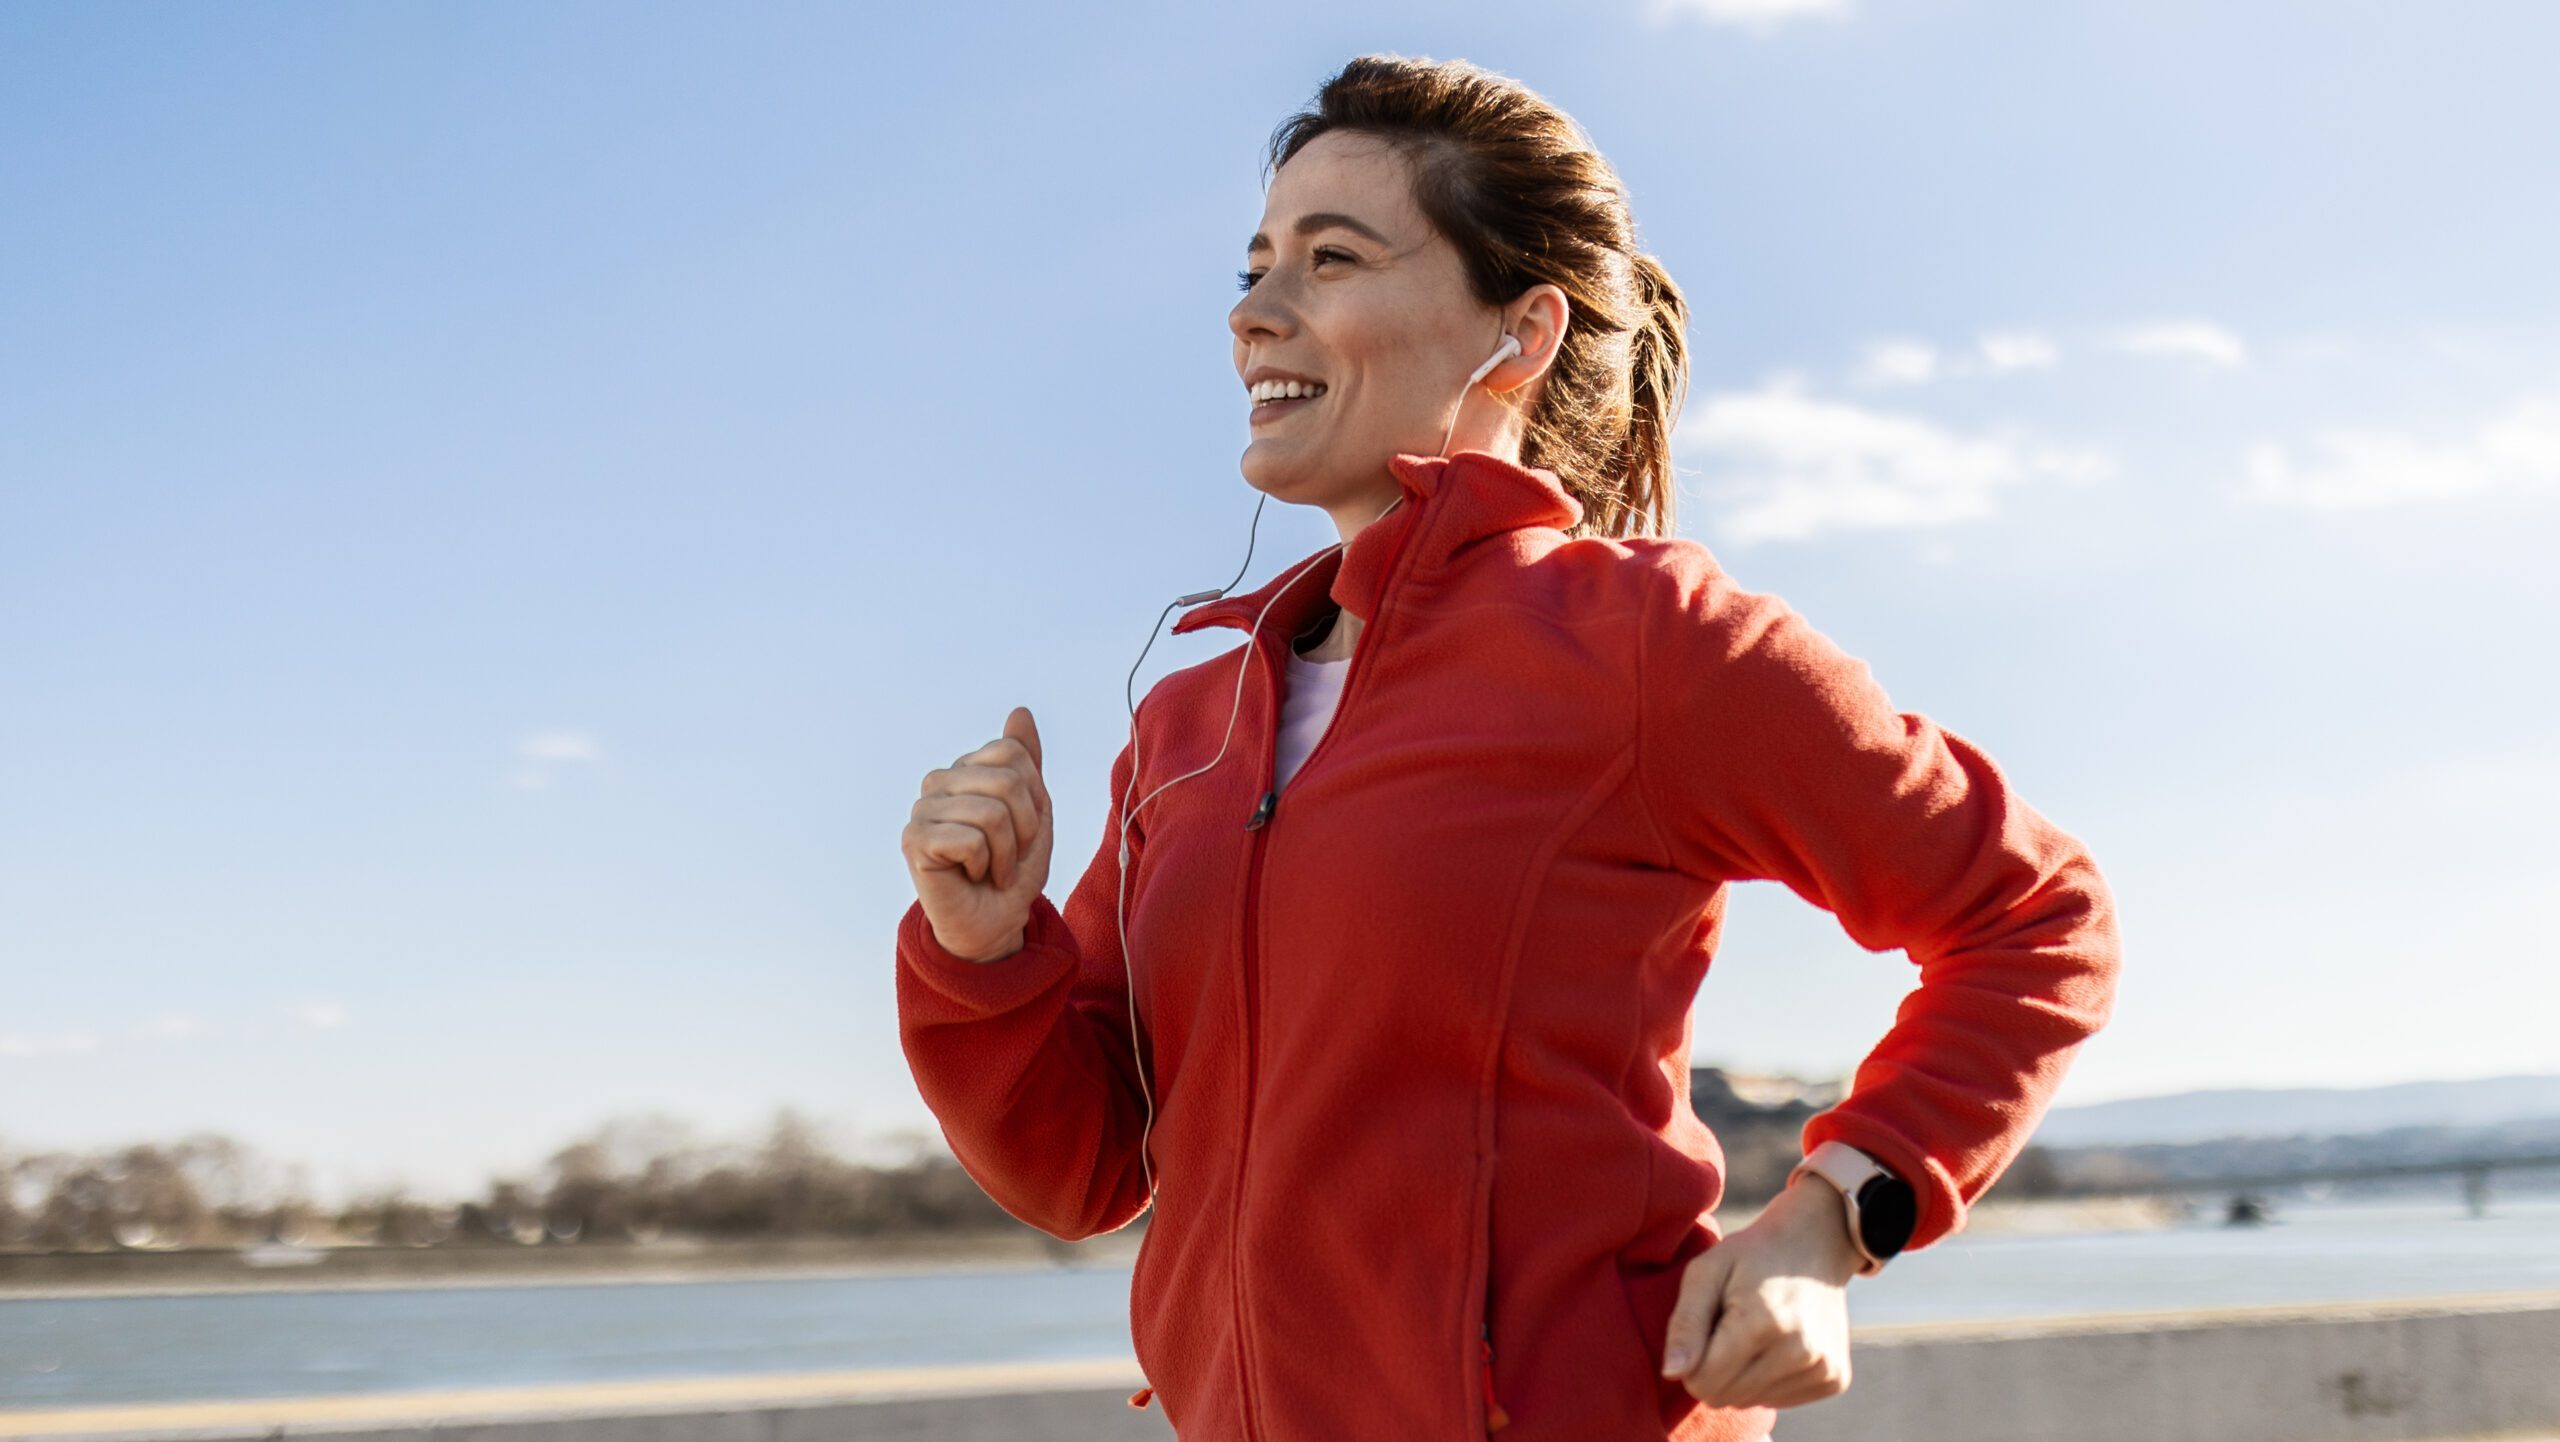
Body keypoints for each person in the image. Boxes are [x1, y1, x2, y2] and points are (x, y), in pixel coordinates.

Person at [895, 54, 2121, 1442]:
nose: (1252, 313)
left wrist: (1830, 1221)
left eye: (1330, 259)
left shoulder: (1647, 641)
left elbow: (2038, 916)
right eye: (1253, 267)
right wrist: (983, 955)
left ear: (1521, 333)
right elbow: (1084, 1173)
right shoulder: (1190, 724)